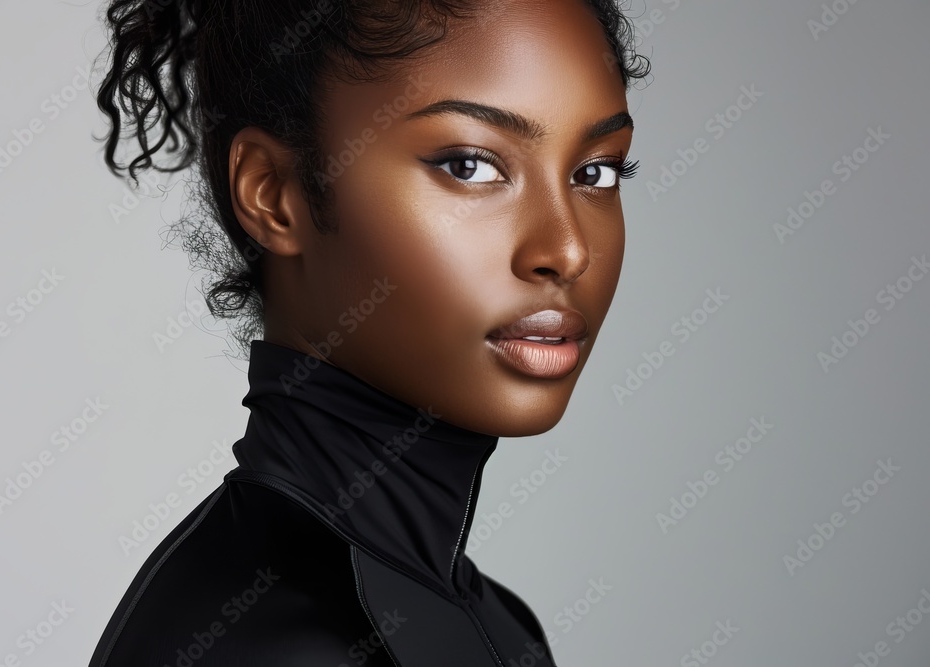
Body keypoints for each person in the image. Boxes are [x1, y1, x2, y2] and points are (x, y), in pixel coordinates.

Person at [87, 0, 650, 664]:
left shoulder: (497, 621)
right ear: (273, 192)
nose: (567, 249)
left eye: (595, 172)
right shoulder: (269, 641)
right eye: (469, 165)